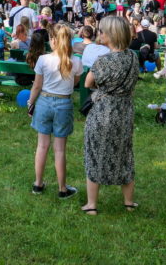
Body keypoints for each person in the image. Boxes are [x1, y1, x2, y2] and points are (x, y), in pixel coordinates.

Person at [81, 16, 140, 215]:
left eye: (103, 31)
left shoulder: (103, 61)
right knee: (125, 153)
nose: (100, 34)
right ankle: (129, 202)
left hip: (103, 111)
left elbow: (88, 83)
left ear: (111, 35)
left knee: (95, 153)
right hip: (124, 111)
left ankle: (92, 204)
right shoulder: (133, 57)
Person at [27, 25, 82, 199]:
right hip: (64, 103)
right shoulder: (76, 61)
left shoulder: (43, 59)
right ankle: (62, 188)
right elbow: (75, 82)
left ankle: (38, 184)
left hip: (44, 101)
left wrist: (31, 102)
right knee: (60, 150)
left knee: (42, 146)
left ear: (53, 40)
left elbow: (36, 85)